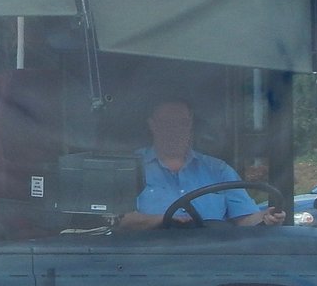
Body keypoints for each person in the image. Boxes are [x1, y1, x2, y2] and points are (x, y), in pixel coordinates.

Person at [119, 98, 286, 230]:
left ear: (190, 125)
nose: (175, 130)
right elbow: (115, 221)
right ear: (152, 125)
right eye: (167, 123)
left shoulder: (218, 170)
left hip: (211, 263)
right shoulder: (125, 168)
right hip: (144, 262)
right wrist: (162, 220)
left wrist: (266, 217)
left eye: (182, 123)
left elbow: (244, 219)